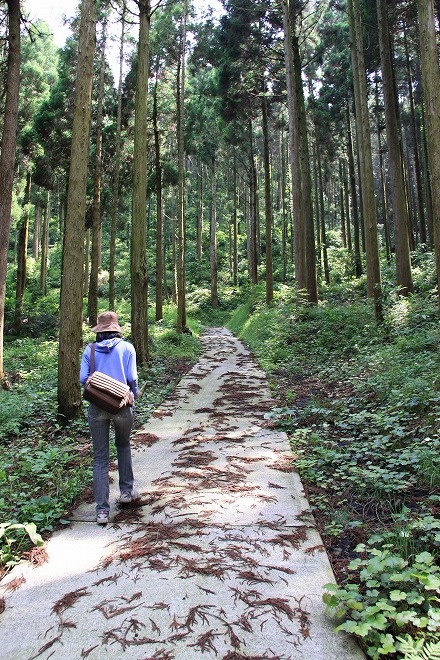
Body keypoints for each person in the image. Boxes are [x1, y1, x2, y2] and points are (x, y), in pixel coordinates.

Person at [80, 311, 139, 525]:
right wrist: (133, 393)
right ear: (116, 329)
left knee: (100, 457)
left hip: (97, 407)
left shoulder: (90, 350)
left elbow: (83, 379)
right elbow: (132, 378)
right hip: (122, 407)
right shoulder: (127, 348)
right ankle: (126, 492)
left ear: (99, 330)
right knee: (123, 445)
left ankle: (102, 511)